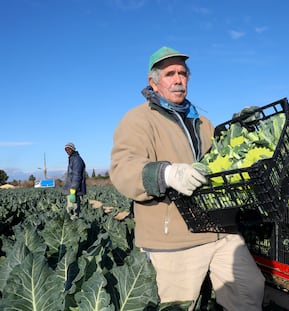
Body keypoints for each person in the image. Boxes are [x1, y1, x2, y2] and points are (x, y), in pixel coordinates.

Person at [110, 46, 265, 310]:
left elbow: (221, 161)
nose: (178, 79)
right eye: (170, 73)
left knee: (249, 291)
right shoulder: (138, 120)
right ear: (154, 82)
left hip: (221, 231)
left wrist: (240, 129)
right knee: (178, 305)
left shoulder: (203, 122)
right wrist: (166, 173)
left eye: (183, 73)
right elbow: (122, 169)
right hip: (174, 240)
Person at [63, 142, 86, 220]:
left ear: (73, 149)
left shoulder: (77, 160)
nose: (67, 151)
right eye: (66, 149)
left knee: (73, 212)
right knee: (70, 211)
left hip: (75, 191)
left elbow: (77, 176)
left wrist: (73, 190)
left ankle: (75, 229)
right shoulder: (72, 159)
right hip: (71, 190)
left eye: (69, 149)